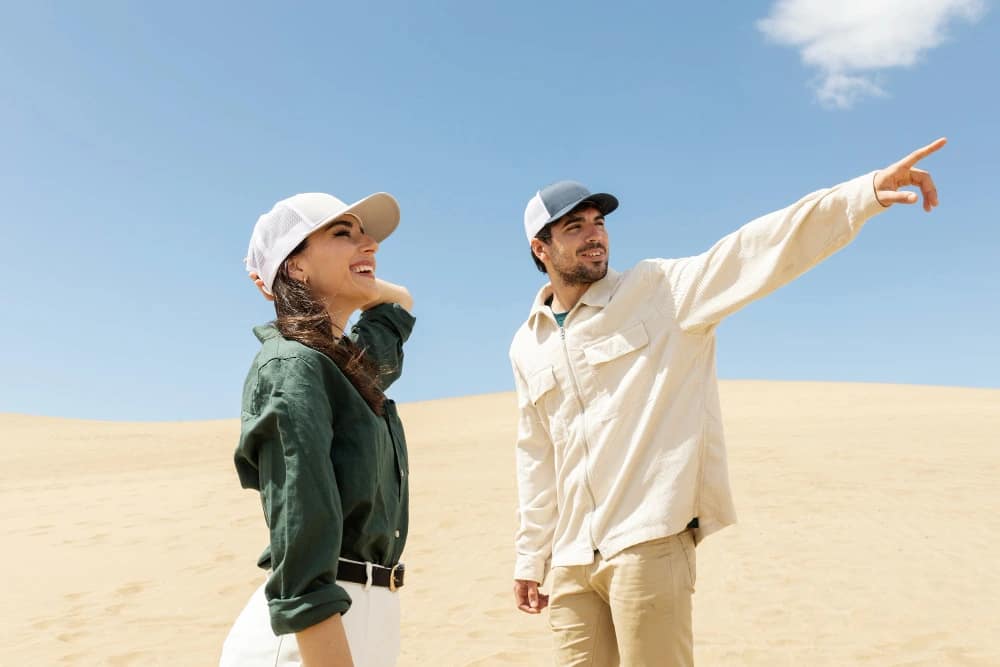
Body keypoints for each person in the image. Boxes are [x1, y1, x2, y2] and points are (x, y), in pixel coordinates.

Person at [509, 139, 946, 666]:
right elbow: (537, 457)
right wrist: (532, 555)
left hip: (647, 540)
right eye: (574, 227)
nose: (594, 235)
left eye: (598, 221)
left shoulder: (659, 291)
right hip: (572, 559)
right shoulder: (526, 344)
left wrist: (863, 194)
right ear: (542, 248)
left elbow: (754, 249)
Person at [220, 191, 416, 667]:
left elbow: (401, 305)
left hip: (369, 620)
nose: (368, 243)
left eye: (366, 235)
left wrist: (357, 272)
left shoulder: (349, 366)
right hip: (314, 636)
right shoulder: (292, 366)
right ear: (296, 266)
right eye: (342, 233)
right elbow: (299, 527)